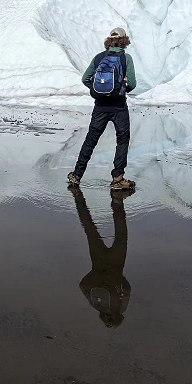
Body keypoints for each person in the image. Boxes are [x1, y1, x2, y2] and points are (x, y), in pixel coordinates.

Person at [68, 27, 137, 191]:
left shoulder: (99, 58)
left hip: (100, 107)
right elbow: (132, 84)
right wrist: (120, 90)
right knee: (122, 140)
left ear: (109, 40)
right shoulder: (125, 58)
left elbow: (85, 79)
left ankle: (77, 175)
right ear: (124, 40)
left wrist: (98, 90)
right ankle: (118, 179)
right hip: (119, 107)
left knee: (91, 140)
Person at [71, 186, 132, 328]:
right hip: (99, 263)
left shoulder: (118, 306)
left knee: (121, 235)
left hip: (116, 264)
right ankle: (80, 201)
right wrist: (97, 275)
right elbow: (83, 285)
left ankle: (117, 203)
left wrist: (116, 279)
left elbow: (127, 288)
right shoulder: (97, 304)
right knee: (90, 230)